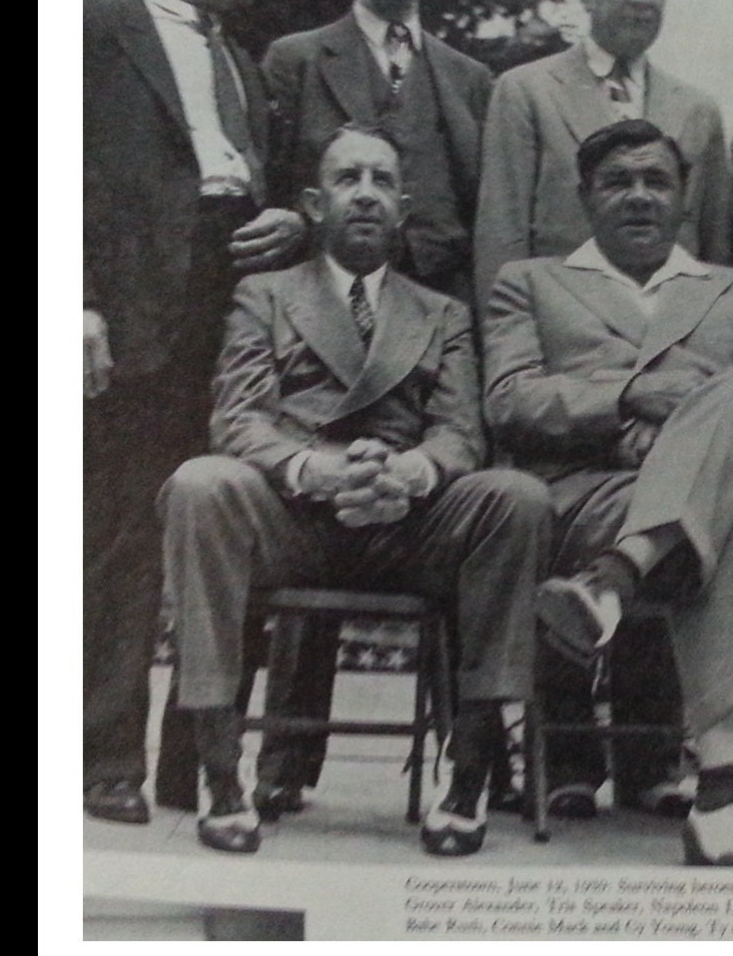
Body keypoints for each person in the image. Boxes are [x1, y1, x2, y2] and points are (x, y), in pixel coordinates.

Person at [158, 125, 551, 857]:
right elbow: (238, 418)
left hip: (409, 521)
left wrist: (413, 472)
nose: (365, 194)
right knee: (200, 483)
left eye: (380, 181)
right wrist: (318, 468)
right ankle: (222, 779)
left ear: (403, 207)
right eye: (347, 179)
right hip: (295, 518)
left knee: (515, 497)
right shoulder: (264, 294)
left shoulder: (444, 312)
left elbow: (461, 432)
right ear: (313, 202)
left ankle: (465, 782)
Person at [482, 118, 733, 867]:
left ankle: (616, 578)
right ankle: (725, 797)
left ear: (684, 196)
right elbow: (507, 400)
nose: (639, 196)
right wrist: (632, 397)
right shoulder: (532, 282)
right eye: (618, 181)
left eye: (656, 180)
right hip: (589, 499)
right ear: (585, 196)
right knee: (730, 524)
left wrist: (691, 430)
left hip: (671, 512)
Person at [252, 0, 497, 818]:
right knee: (318, 504)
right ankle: (286, 756)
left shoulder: (468, 79)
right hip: (324, 318)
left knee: (452, 512)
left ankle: (473, 758)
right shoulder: (296, 58)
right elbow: (280, 193)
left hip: (433, 335)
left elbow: (483, 219)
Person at [84, 0, 305, 826]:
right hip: (138, 317)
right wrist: (76, 302)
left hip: (237, 315)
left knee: (234, 529)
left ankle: (196, 763)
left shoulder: (243, 64)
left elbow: (258, 186)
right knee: (126, 536)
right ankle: (107, 762)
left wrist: (287, 224)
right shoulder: (93, 30)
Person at [474, 0, 732, 303]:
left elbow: (715, 250)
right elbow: (501, 237)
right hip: (563, 338)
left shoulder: (698, 110)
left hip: (673, 339)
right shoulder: (526, 92)